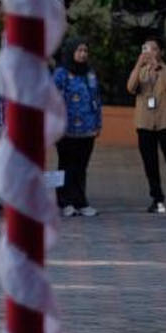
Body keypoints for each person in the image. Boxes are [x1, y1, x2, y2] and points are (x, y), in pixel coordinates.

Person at [127, 38, 166, 215]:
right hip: (145, 124)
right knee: (150, 164)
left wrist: (158, 68)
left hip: (165, 124)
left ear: (160, 52)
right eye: (147, 49)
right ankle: (157, 199)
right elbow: (130, 88)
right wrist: (139, 64)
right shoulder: (141, 72)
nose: (150, 53)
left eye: (154, 49)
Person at [54, 39, 102, 218]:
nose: (83, 54)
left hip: (88, 128)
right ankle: (65, 202)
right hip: (66, 129)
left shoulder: (89, 73)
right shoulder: (61, 73)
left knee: (81, 166)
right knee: (67, 165)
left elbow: (96, 98)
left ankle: (81, 202)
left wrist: (98, 123)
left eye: (85, 50)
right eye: (79, 50)